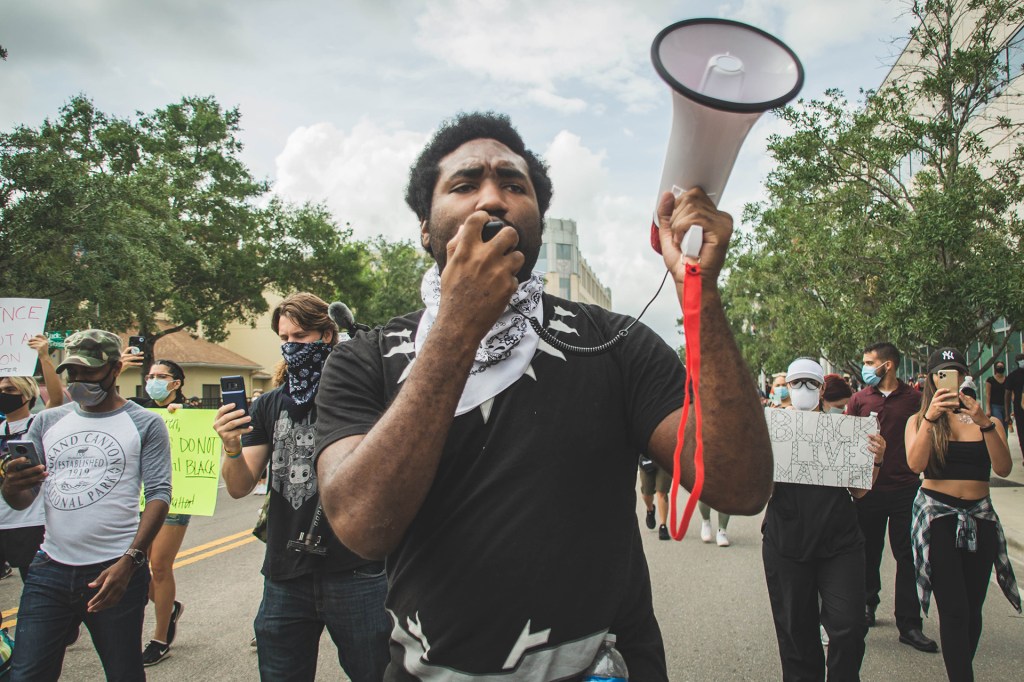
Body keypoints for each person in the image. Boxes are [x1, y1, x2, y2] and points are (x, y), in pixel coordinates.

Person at [313, 111, 773, 679]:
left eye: (514, 185)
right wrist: (459, 325)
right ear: (426, 229)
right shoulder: (363, 360)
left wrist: (700, 291)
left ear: (537, 217)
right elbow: (363, 527)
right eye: (463, 184)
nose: (493, 199)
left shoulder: (614, 342)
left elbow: (740, 485)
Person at [213, 292, 389, 682]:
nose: (291, 347)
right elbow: (241, 486)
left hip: (356, 571)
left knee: (376, 673)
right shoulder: (269, 405)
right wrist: (230, 447)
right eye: (284, 339)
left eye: (301, 337)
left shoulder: (362, 392)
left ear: (328, 335)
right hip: (285, 574)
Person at [2, 330, 171, 681]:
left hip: (114, 570)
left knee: (123, 671)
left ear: (114, 369)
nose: (78, 381)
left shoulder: (145, 423)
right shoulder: (47, 422)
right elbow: (22, 500)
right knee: (26, 673)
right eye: (72, 373)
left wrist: (130, 562)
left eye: (89, 372)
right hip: (50, 568)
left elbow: (159, 494)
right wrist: (11, 486)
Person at [763, 357, 886, 682]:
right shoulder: (771, 428)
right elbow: (756, 491)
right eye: (796, 383)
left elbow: (859, 492)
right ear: (787, 388)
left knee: (848, 629)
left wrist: (875, 461)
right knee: (796, 636)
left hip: (839, 542)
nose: (803, 389)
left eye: (811, 383)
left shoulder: (844, 428)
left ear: (822, 390)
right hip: (787, 543)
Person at [905, 347, 1020, 682]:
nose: (949, 380)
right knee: (953, 610)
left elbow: (1002, 467)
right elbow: (915, 465)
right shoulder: (919, 420)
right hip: (939, 518)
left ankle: (960, 670)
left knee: (972, 610)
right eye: (942, 373)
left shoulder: (988, 421)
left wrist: (985, 423)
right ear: (931, 380)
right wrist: (930, 418)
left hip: (980, 518)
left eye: (955, 372)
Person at [846, 341, 937, 652]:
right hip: (868, 489)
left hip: (905, 490)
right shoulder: (858, 399)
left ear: (888, 365)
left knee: (908, 557)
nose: (866, 367)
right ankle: (867, 605)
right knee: (867, 553)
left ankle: (909, 624)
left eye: (870, 362)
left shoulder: (914, 400)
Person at [124, 356, 191, 666]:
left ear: (175, 384)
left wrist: (181, 418)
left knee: (160, 565)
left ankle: (160, 637)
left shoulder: (189, 413)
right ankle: (169, 607)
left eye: (161, 376)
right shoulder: (134, 410)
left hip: (175, 499)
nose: (153, 380)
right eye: (150, 375)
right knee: (135, 565)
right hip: (136, 497)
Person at [638, 456, 670, 541]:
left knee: (662, 492)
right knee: (646, 493)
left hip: (665, 459)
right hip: (646, 458)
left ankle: (663, 526)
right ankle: (650, 509)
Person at [1004, 352, 1024, 460]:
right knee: (1022, 433)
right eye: (1020, 359)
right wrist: (1007, 414)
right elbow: (1007, 395)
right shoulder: (1013, 376)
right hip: (1020, 409)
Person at [985, 360, 1009, 430]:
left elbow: (1011, 394)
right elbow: (988, 394)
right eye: (998, 366)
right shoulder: (990, 380)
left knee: (1006, 426)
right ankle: (1000, 440)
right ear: (995, 368)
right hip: (995, 406)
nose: (1000, 368)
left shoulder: (1007, 380)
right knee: (999, 423)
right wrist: (988, 409)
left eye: (1001, 366)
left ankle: (1005, 440)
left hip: (1006, 406)